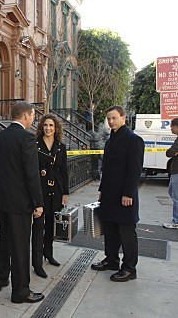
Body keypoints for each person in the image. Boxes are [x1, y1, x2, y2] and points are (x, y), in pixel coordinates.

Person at [0, 101, 45, 304]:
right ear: (26, 115)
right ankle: (20, 291)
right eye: (32, 116)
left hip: (1, 201)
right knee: (20, 246)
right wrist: (38, 202)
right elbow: (32, 174)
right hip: (20, 203)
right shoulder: (26, 138)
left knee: (5, 239)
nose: (33, 120)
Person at [91, 106, 144, 282]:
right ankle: (111, 260)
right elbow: (107, 169)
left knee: (127, 232)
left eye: (114, 118)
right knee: (110, 229)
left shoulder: (133, 140)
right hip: (109, 194)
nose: (111, 121)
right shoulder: (110, 140)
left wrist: (128, 193)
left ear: (123, 118)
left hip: (125, 196)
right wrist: (102, 191)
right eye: (109, 119)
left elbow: (135, 170)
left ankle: (129, 268)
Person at [31, 114, 69, 278]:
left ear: (56, 128)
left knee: (50, 226)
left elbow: (64, 171)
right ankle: (37, 263)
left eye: (51, 125)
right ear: (41, 127)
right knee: (38, 227)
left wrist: (66, 192)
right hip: (40, 191)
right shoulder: (35, 145)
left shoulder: (61, 146)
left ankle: (49, 253)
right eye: (45, 125)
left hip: (56, 191)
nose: (48, 128)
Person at [164, 117, 178, 229]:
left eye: (171, 127)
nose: (170, 129)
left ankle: (176, 221)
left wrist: (172, 151)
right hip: (175, 171)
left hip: (177, 171)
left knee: (175, 196)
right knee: (172, 192)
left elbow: (170, 152)